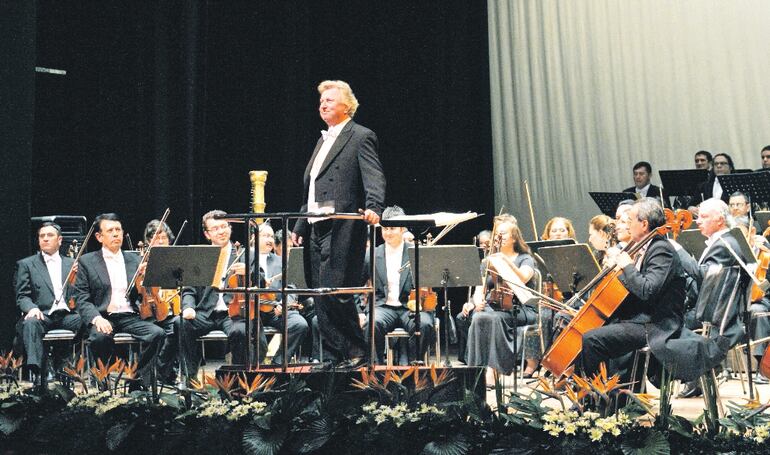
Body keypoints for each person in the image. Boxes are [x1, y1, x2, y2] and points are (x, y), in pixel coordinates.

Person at [291, 80, 385, 369]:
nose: (323, 104)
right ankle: (333, 356)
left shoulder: (360, 136)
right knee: (320, 294)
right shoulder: (322, 140)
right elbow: (313, 189)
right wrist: (299, 225)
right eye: (321, 101)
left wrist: (374, 207)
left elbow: (374, 176)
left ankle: (358, 352)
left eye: (330, 100)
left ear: (347, 106)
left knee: (337, 292)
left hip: (342, 226)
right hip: (316, 225)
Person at [578, 198, 686, 387]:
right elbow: (632, 287)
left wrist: (626, 265)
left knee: (592, 340)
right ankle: (615, 394)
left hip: (657, 324)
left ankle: (596, 400)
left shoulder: (661, 250)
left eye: (631, 220)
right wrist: (617, 271)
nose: (627, 226)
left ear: (644, 224)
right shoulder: (644, 248)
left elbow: (647, 291)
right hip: (640, 318)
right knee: (592, 329)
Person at [73, 213, 166, 389]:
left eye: (118, 230)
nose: (116, 234)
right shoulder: (87, 261)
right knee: (100, 338)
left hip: (130, 315)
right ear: (99, 237)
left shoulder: (135, 259)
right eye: (110, 231)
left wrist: (146, 280)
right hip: (103, 315)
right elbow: (82, 298)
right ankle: (103, 384)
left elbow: (142, 294)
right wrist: (96, 319)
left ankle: (138, 382)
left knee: (157, 334)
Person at [178, 210, 248, 380]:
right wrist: (188, 307)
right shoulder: (199, 257)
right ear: (207, 234)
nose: (221, 231)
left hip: (233, 314)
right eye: (215, 228)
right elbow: (189, 289)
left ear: (230, 228)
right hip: (205, 313)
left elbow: (261, 282)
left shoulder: (244, 253)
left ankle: (237, 381)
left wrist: (248, 273)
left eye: (224, 226)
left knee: (241, 330)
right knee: (181, 323)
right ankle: (189, 380)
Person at [467, 218, 538, 383]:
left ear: (514, 237)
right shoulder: (488, 261)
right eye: (497, 233)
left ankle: (494, 371)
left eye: (504, 233)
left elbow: (523, 277)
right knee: (478, 317)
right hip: (496, 307)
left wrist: (505, 261)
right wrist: (478, 301)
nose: (499, 235)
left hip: (521, 308)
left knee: (495, 318)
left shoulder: (525, 258)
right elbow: (480, 288)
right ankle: (475, 370)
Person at [364, 206, 434, 364]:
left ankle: (413, 367)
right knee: (371, 323)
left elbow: (429, 285)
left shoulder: (416, 251)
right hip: (383, 307)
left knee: (424, 324)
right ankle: (376, 371)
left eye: (392, 228)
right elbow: (357, 285)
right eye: (385, 228)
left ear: (403, 229)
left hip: (409, 308)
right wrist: (359, 311)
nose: (388, 233)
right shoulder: (372, 254)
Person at [14, 222, 83, 380]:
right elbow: (22, 295)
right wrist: (31, 308)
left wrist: (78, 278)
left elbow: (79, 294)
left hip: (67, 316)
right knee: (30, 322)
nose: (45, 239)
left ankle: (68, 363)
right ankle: (38, 370)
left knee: (88, 320)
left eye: (50, 235)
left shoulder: (72, 264)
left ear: (59, 240)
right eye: (41, 236)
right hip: (42, 314)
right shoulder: (26, 264)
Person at [254, 223, 309, 364]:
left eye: (271, 236)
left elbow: (291, 287)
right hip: (252, 310)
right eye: (265, 236)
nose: (270, 240)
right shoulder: (244, 258)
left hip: (275, 309)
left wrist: (285, 304)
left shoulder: (282, 260)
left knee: (299, 324)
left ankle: (278, 363)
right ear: (253, 237)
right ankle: (255, 365)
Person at [140, 219, 179, 384]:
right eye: (156, 239)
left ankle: (160, 374)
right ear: (149, 241)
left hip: (171, 310)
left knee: (177, 328)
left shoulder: (177, 259)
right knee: (156, 333)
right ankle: (158, 375)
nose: (161, 242)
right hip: (148, 311)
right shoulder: (140, 261)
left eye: (164, 238)